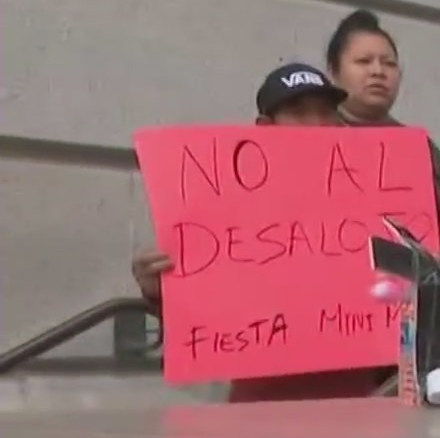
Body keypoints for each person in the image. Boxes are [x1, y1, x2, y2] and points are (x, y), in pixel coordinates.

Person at [130, 64, 401, 403]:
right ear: (264, 128)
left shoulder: (376, 201)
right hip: (260, 407)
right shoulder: (223, 211)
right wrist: (160, 291)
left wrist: (430, 273)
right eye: (300, 114)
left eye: (325, 113)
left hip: (361, 401)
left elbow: (404, 298)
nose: (317, 125)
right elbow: (206, 314)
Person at [326, 9, 440, 326]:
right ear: (334, 72)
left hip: (407, 322)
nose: (378, 71)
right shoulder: (310, 139)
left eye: (388, 63)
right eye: (364, 62)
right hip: (330, 319)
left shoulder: (419, 148)